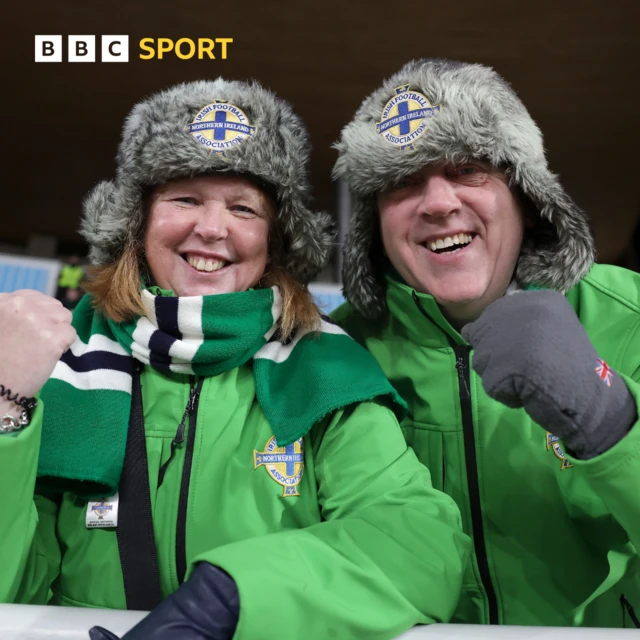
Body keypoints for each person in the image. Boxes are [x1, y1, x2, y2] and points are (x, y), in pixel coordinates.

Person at [0, 78, 469, 640]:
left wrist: (230, 599)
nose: (212, 228)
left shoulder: (324, 368)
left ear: (274, 239)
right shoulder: (59, 362)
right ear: (137, 222)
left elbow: (419, 542)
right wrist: (7, 403)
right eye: (185, 198)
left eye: (244, 208)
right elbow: (13, 589)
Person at [332, 58, 640, 628]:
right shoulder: (336, 352)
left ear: (525, 195)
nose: (437, 202)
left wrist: (612, 422)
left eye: (470, 169)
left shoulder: (632, 320)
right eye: (402, 182)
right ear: (374, 221)